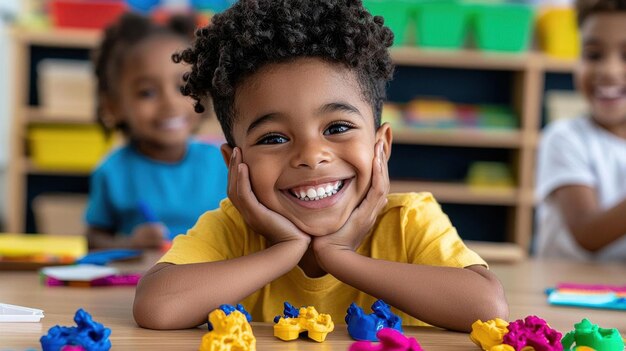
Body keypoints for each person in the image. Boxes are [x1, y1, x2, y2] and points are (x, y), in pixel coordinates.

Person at [134, 0, 508, 331]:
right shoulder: (233, 228)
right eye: (274, 138)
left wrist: (339, 256)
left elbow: (486, 306)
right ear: (235, 163)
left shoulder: (408, 220)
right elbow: (157, 306)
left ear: (382, 146)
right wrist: (284, 249)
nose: (312, 155)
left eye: (338, 128)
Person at [85, 13, 227, 249]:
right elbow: (93, 238)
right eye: (147, 93)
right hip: (142, 282)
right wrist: (130, 243)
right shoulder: (112, 171)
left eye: (183, 87)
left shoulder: (224, 163)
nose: (170, 104)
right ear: (114, 105)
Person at [535, 0, 626, 260]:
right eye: (593, 55)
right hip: (563, 294)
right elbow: (588, 233)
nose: (609, 70)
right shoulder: (564, 138)